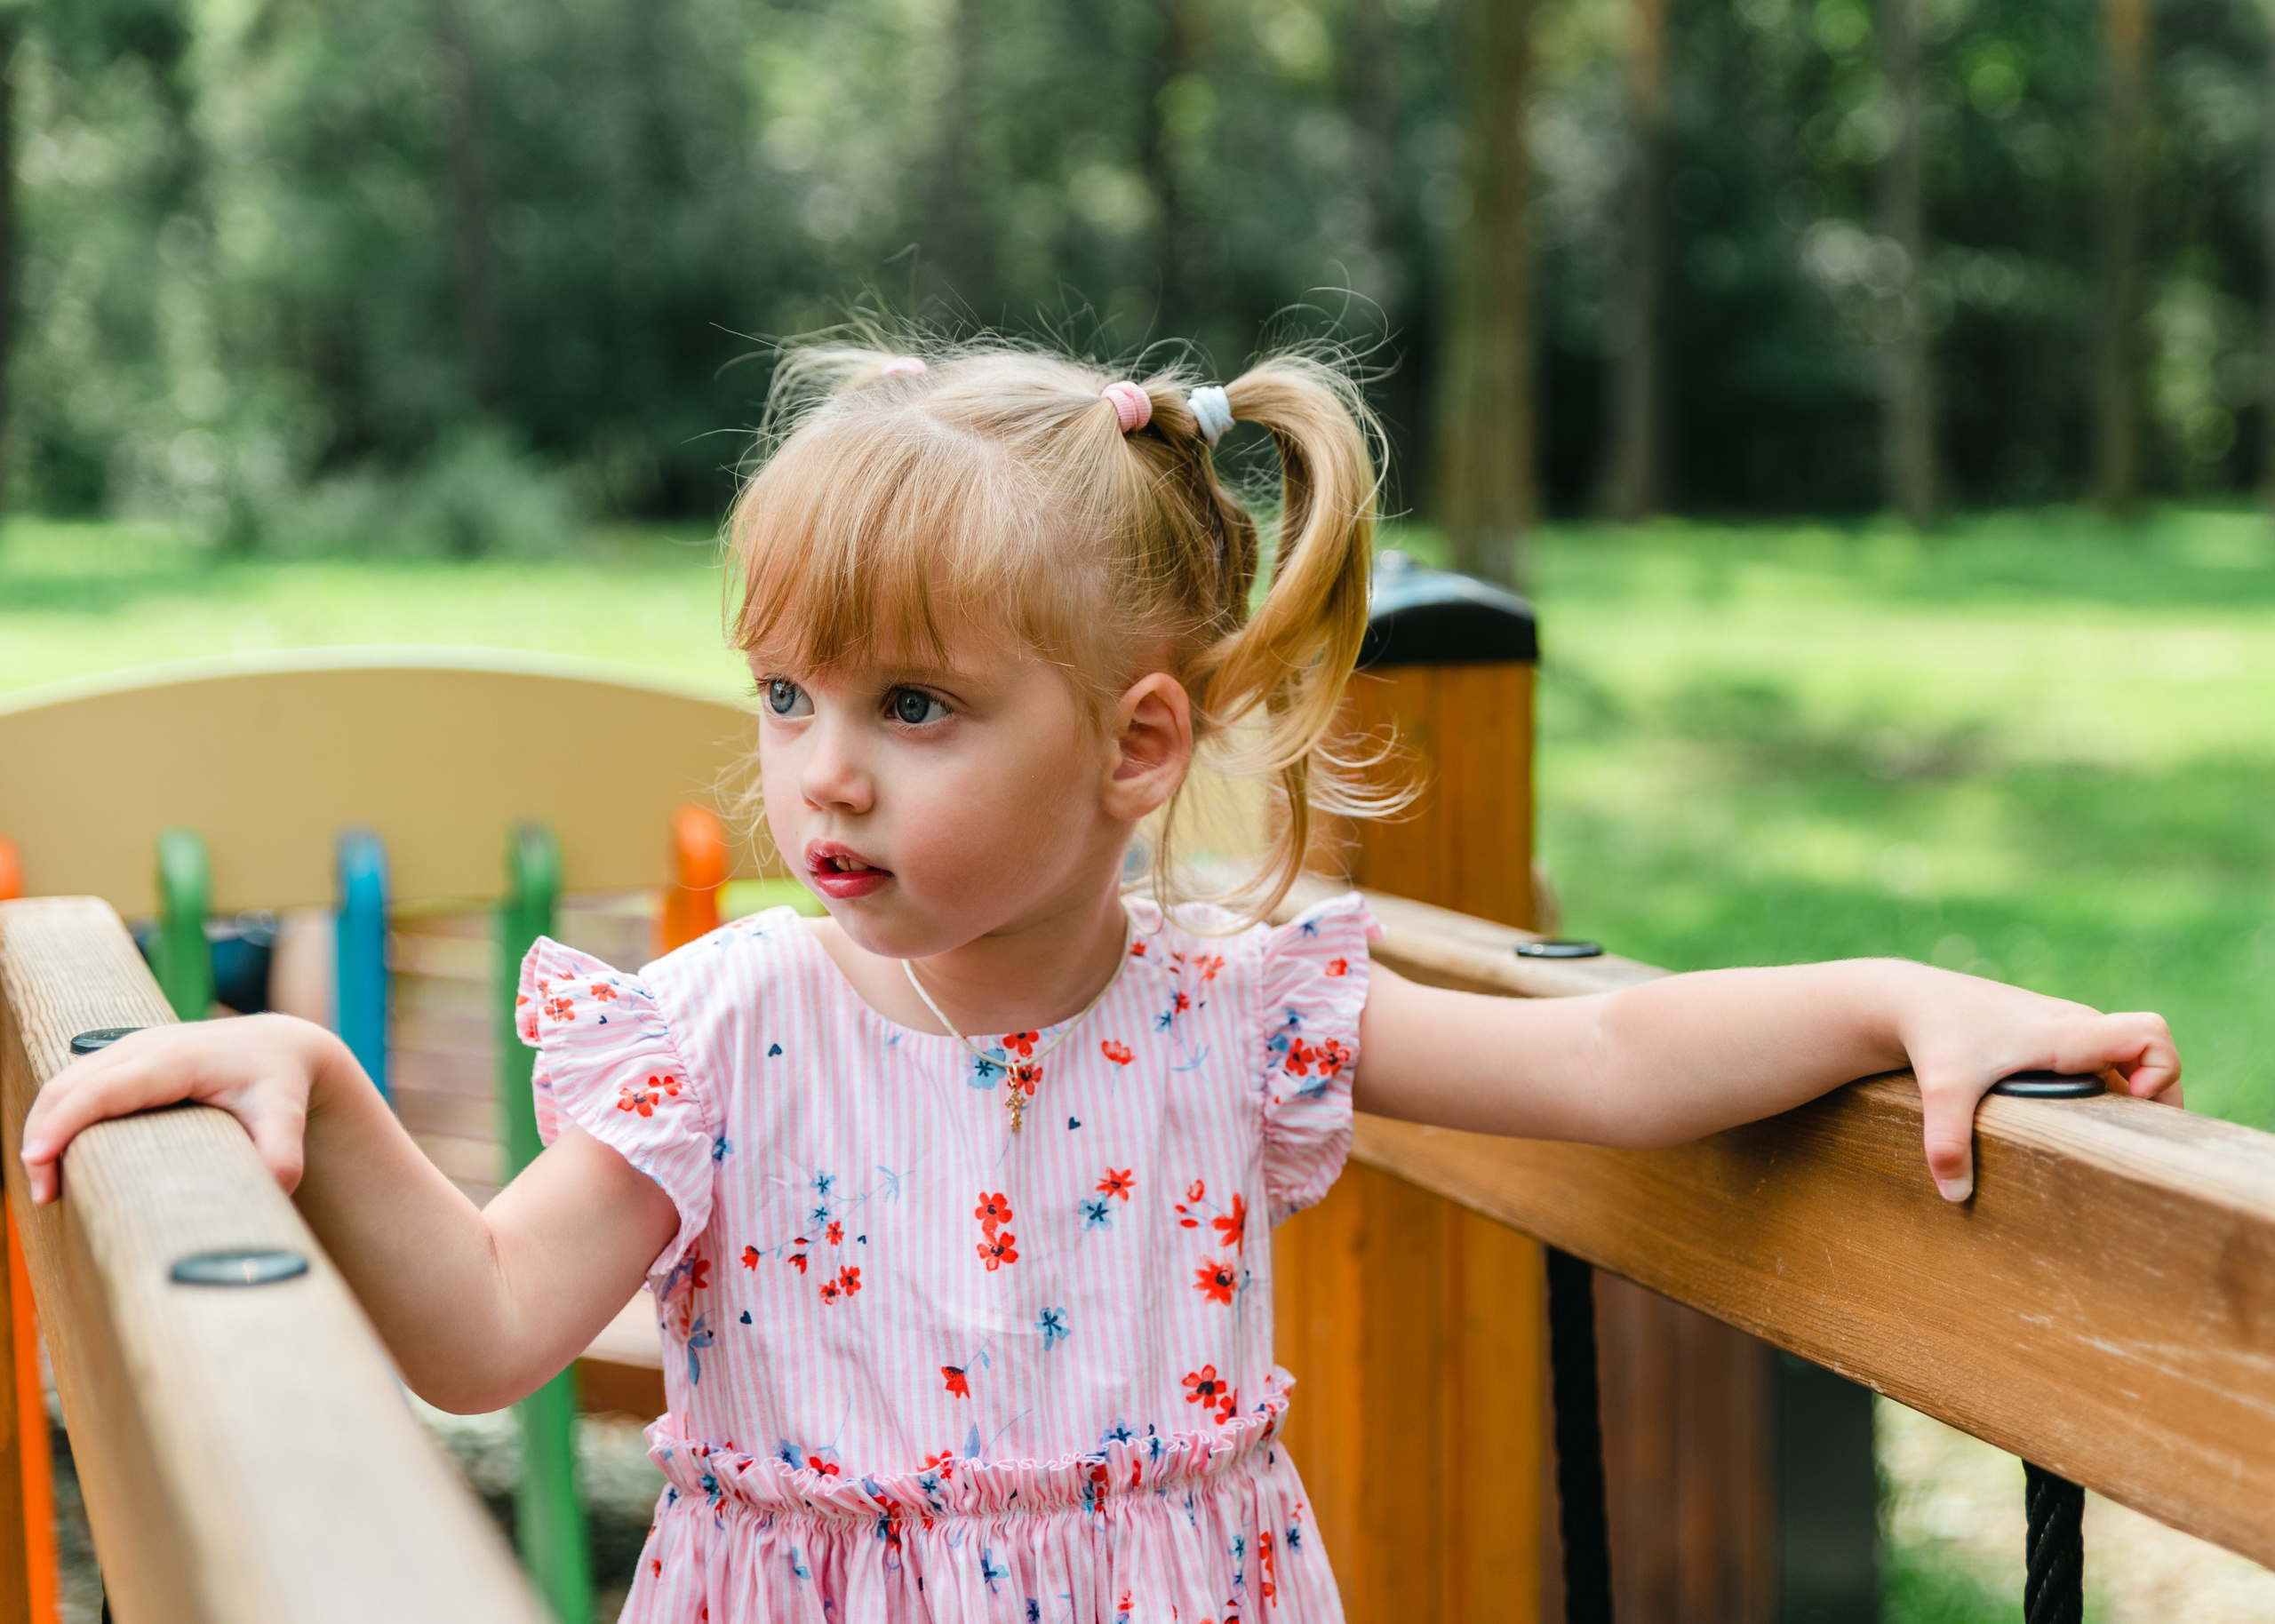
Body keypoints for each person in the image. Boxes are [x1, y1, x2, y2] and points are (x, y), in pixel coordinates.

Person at [20, 342, 2180, 1623]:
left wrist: (1904, 992)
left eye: (914, 705)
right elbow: (486, 1322)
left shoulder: (1231, 1008)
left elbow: (1607, 1050)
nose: (820, 769)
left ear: (1136, 744)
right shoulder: (734, 1023)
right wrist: (312, 1075)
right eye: (784, 692)